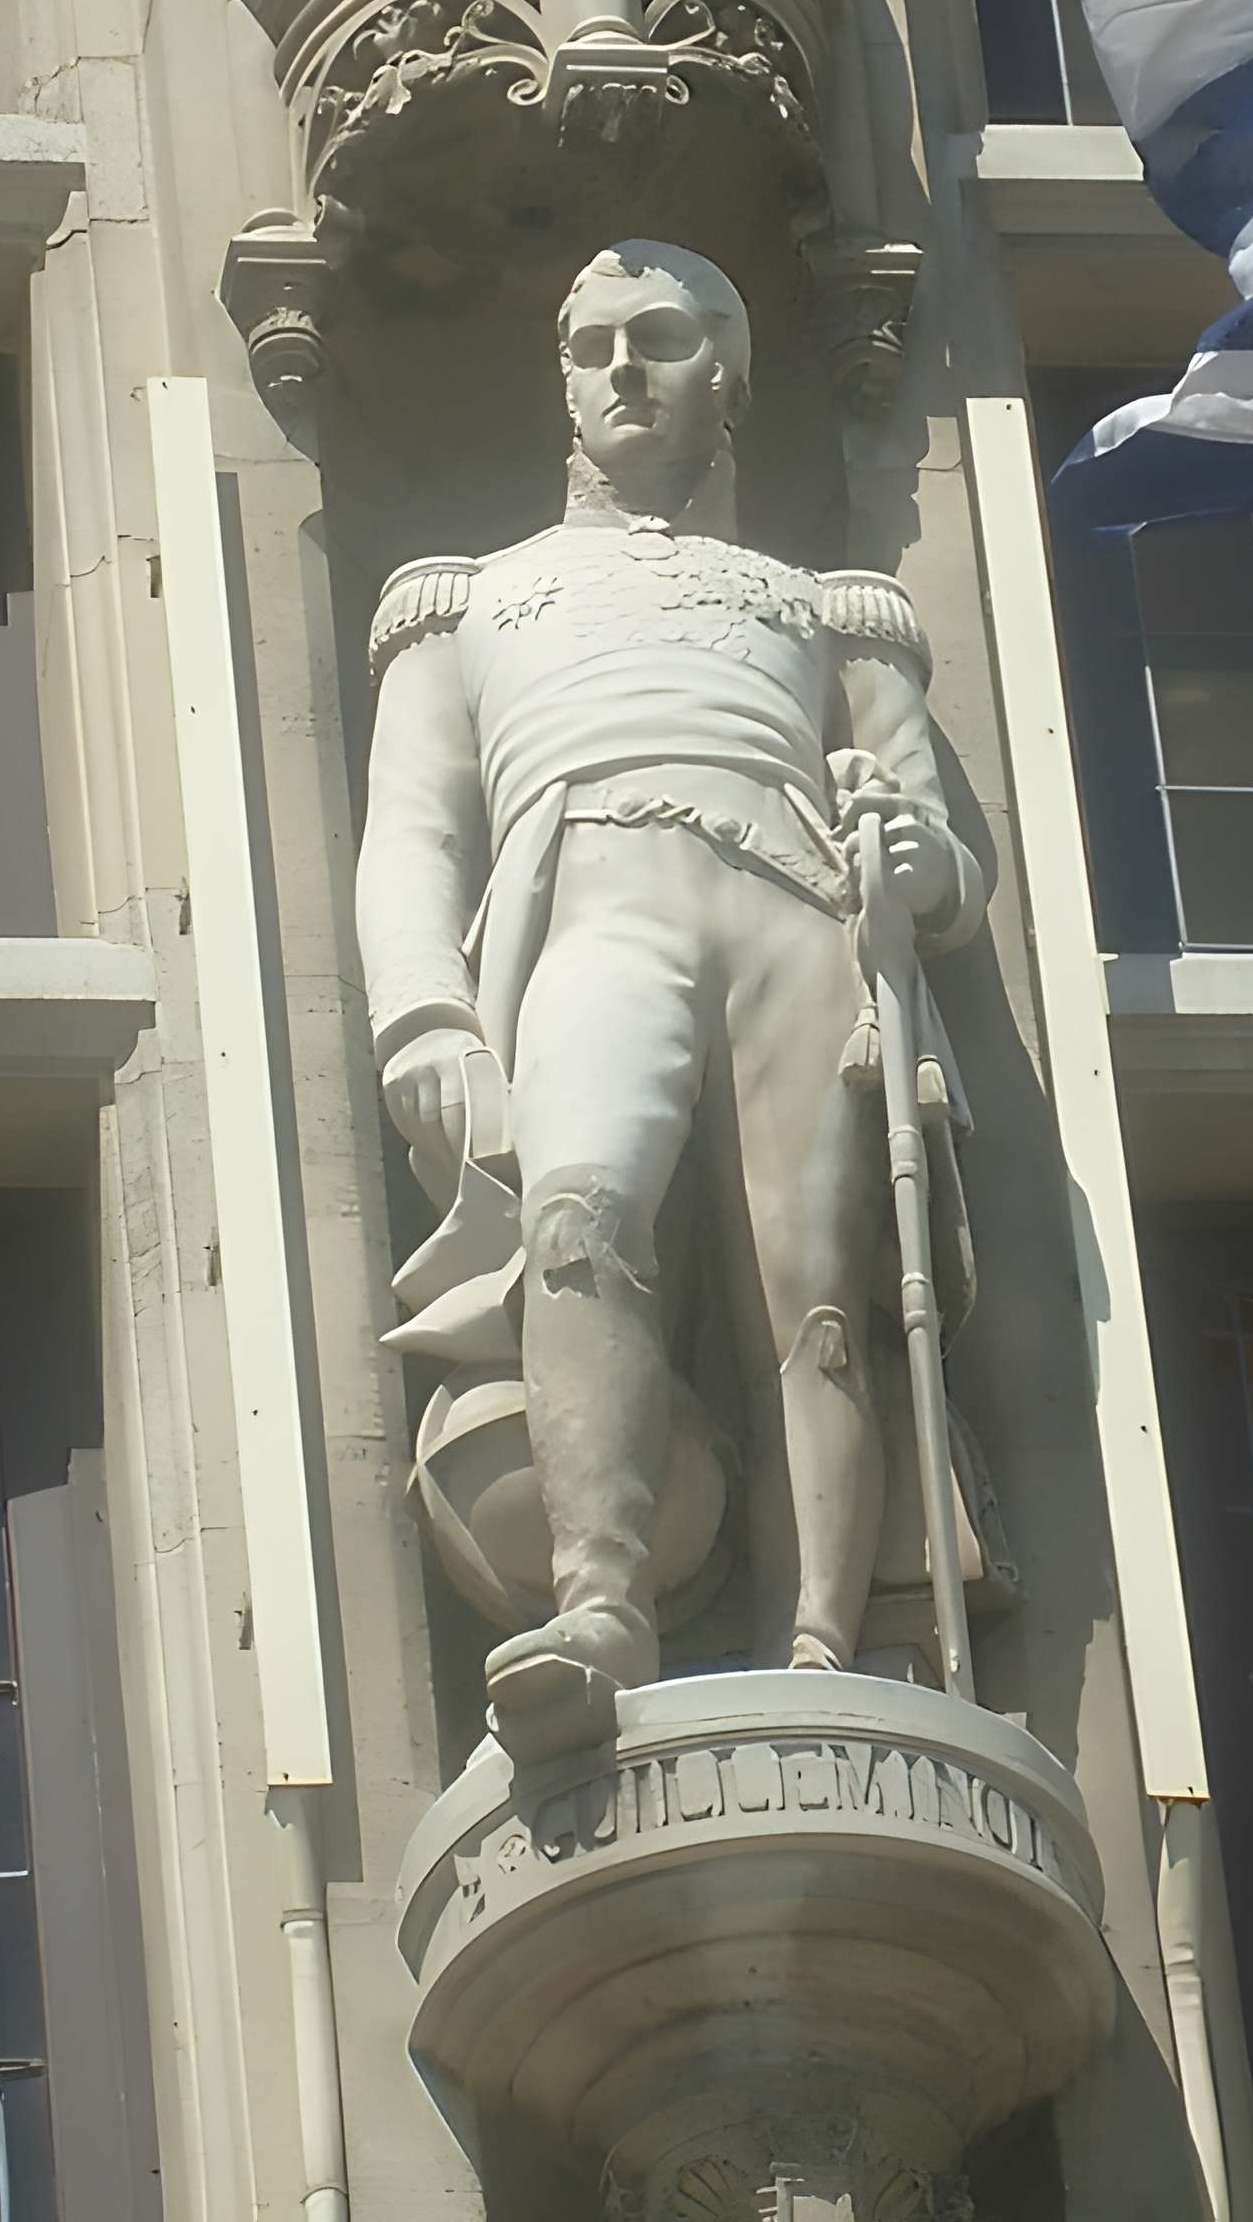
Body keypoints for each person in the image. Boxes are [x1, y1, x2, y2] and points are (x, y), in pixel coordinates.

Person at [356, 240, 983, 1721]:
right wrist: (423, 1013)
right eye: (589, 347)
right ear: (563, 389)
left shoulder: (826, 610)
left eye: (661, 334)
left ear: (734, 375)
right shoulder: (468, 603)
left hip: (793, 910)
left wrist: (918, 861)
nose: (621, 367)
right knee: (579, 1213)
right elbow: (411, 834)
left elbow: (949, 856)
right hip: (595, 900)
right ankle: (603, 1602)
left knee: (818, 1294)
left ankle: (829, 1643)